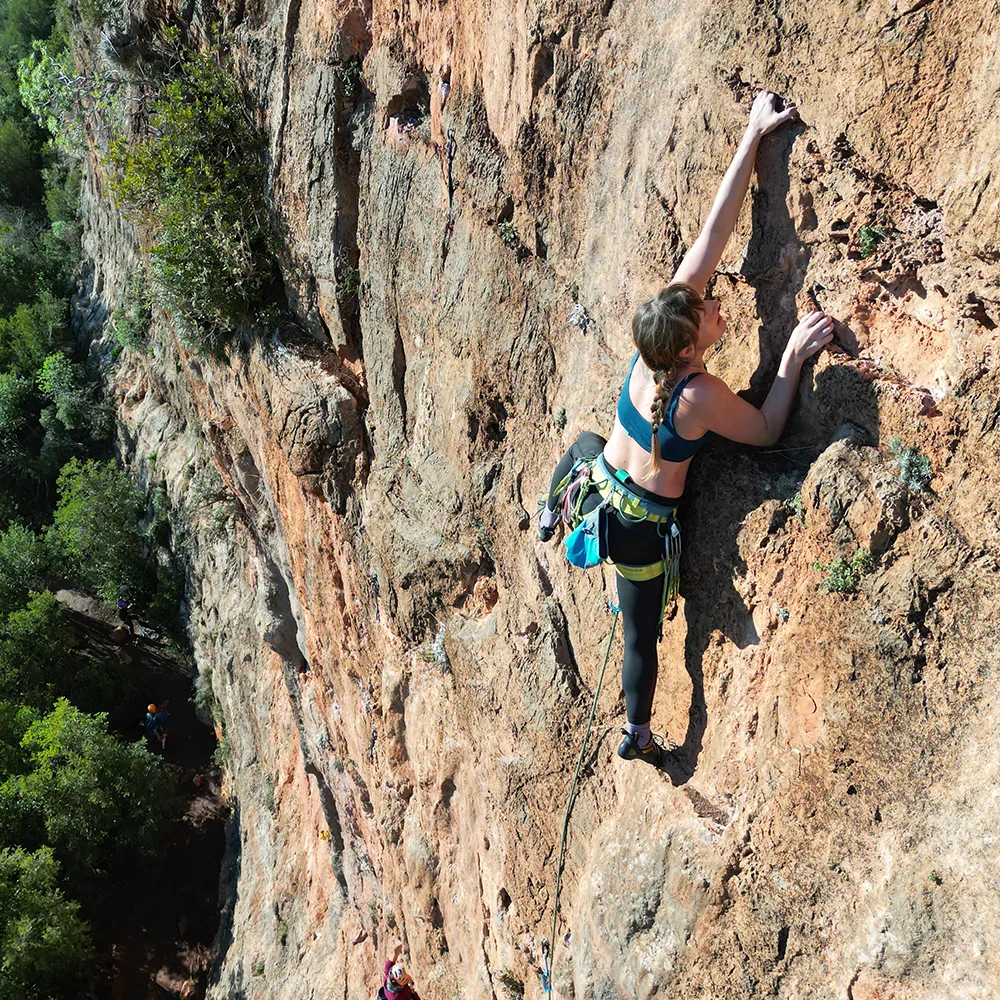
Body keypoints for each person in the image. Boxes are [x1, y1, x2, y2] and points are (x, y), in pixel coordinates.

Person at [539, 91, 834, 769]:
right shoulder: (696, 397)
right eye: (707, 312)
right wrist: (791, 355)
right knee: (642, 636)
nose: (714, 302)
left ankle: (554, 511)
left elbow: (712, 234)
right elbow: (762, 431)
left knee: (584, 443)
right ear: (690, 349)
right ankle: (637, 732)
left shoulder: (659, 341)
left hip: (596, 479)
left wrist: (753, 135)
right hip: (638, 526)